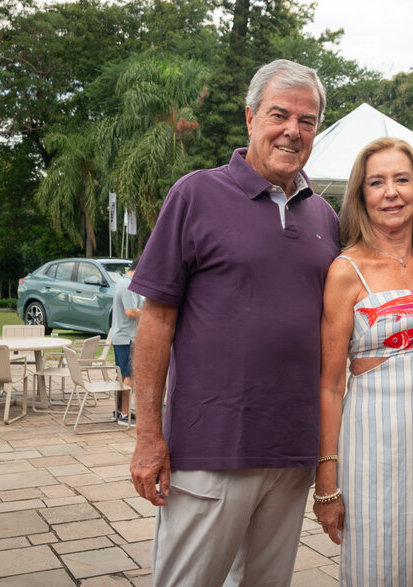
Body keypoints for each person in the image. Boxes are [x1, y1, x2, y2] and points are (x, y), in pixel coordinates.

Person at [127, 59, 340, 587]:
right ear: (250, 117)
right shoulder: (196, 194)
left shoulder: (325, 217)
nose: (292, 130)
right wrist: (148, 436)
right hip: (210, 449)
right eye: (279, 115)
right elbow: (155, 321)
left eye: (307, 120)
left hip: (292, 451)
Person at [313, 137, 413, 585]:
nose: (391, 192)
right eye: (377, 182)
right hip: (374, 442)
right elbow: (329, 384)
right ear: (362, 195)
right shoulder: (346, 270)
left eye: (402, 179)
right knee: (379, 561)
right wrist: (327, 480)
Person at [111, 255, 143, 425]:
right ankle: (124, 414)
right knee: (128, 376)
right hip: (127, 337)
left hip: (121, 336)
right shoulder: (129, 285)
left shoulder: (121, 282)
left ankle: (119, 411)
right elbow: (130, 312)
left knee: (122, 375)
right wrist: (150, 314)